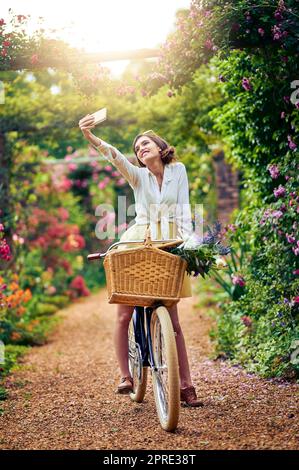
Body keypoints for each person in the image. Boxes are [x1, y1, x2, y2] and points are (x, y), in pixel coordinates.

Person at [79, 114, 203, 407]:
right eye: (137, 148)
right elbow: (116, 158)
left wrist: (190, 246)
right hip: (140, 239)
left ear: (160, 147)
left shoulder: (178, 170)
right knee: (123, 314)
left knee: (173, 322)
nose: (140, 149)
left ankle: (186, 385)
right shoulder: (138, 175)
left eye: (145, 143)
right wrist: (91, 138)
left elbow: (184, 209)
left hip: (170, 242)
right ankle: (126, 376)